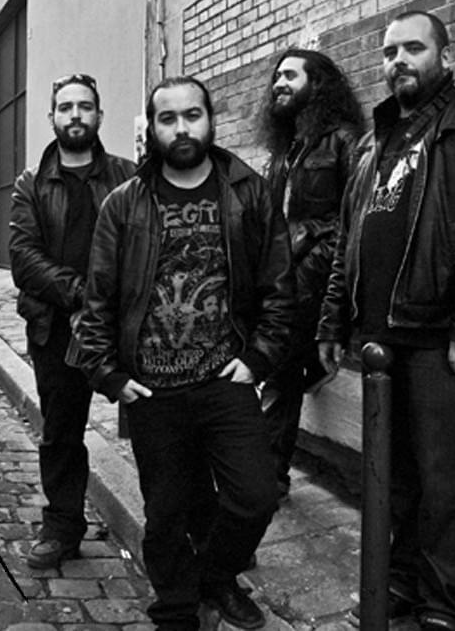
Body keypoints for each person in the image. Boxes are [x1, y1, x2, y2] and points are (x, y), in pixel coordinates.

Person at [317, 11, 455, 631]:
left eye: (413, 47)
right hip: (379, 339)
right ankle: (399, 585)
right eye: (389, 52)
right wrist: (333, 323)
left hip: (443, 338)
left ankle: (443, 606)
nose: (399, 61)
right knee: (394, 479)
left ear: (445, 54)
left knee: (443, 481)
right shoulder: (373, 142)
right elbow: (348, 242)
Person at [75, 75, 295, 630]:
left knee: (255, 496)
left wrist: (259, 358)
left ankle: (216, 577)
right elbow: (99, 299)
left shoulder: (247, 192)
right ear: (151, 128)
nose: (181, 128)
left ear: (210, 120)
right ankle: (175, 609)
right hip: (153, 389)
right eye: (168, 118)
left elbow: (278, 286)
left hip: (226, 379)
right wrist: (109, 375)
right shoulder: (124, 205)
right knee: (167, 513)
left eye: (192, 115)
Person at [9, 73, 136, 569]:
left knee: (154, 428)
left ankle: (178, 528)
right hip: (56, 328)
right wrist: (85, 294)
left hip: (122, 327)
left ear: (99, 115)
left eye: (84, 106)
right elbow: (24, 258)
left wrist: (110, 303)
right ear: (53, 118)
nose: (76, 115)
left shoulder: (128, 176)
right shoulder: (32, 184)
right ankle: (63, 527)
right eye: (66, 107)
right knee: (62, 432)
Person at [258, 48, 364, 498]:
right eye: (276, 77)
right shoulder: (286, 150)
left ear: (316, 84)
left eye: (290, 76)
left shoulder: (345, 141)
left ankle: (266, 480)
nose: (278, 84)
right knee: (277, 372)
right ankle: (267, 477)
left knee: (277, 373)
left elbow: (353, 221)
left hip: (315, 278)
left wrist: (307, 251)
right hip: (284, 277)